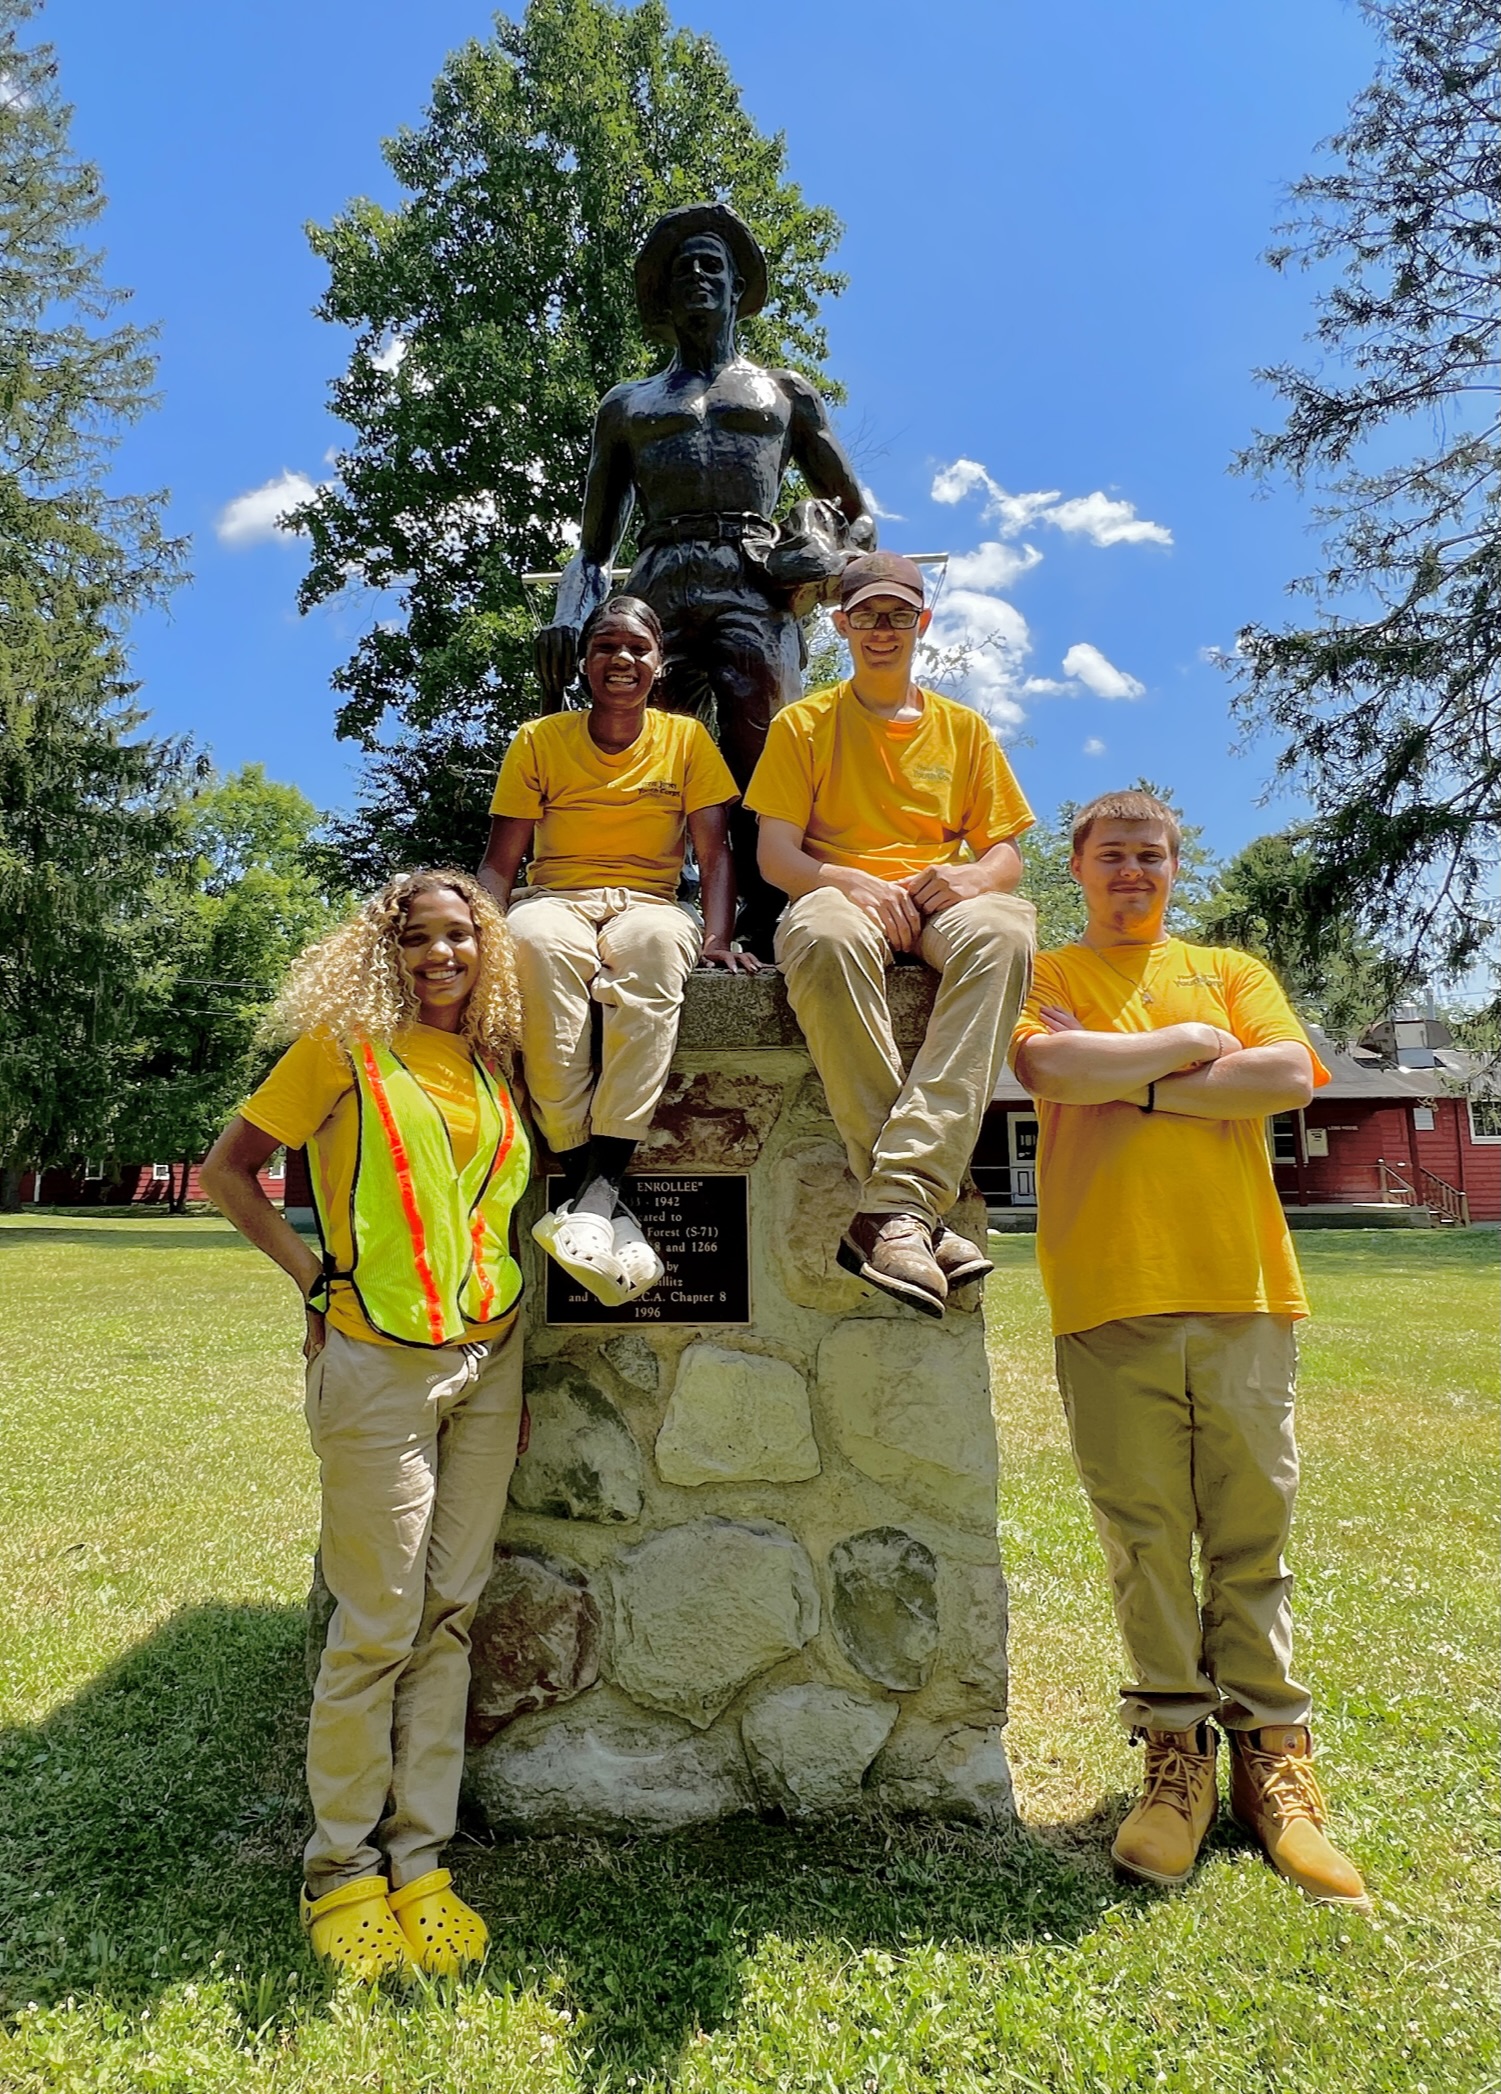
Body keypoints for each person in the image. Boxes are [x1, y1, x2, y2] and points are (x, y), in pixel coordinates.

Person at [1010, 789, 1369, 1910]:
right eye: (1112, 855)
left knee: (1252, 1527)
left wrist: (1134, 1079)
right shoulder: (1047, 976)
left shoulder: (1230, 969)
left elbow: (1286, 1076)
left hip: (1243, 1290)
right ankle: (1176, 1762)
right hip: (1105, 1292)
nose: (1133, 872)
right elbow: (1047, 1075)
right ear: (1076, 868)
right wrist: (1187, 1065)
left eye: (1151, 855)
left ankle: (1273, 1760)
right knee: (1145, 1538)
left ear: (1174, 866)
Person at [201, 870, 532, 1978]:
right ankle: (340, 1869)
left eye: (459, 937)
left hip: (489, 1356)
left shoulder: (492, 1064)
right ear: (380, 953)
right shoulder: (340, 1049)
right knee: (377, 1622)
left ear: (485, 951)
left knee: (447, 1616)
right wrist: (310, 1283)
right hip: (377, 1363)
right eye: (416, 940)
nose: (441, 956)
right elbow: (228, 1172)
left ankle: (420, 1858)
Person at [533, 202, 875, 953]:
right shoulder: (627, 405)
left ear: (735, 287)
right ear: (660, 295)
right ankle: (656, 904)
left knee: (767, 753)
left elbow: (859, 516)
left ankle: (765, 916)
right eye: (682, 266)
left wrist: (824, 562)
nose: (697, 276)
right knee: (649, 748)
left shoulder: (784, 393)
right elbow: (593, 546)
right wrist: (569, 604)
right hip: (657, 579)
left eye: (711, 265)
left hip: (753, 581)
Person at [746, 550, 1036, 1315]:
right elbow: (776, 856)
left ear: (922, 623)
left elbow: (1004, 850)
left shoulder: (963, 729)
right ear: (841, 625)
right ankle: (912, 1210)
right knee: (825, 939)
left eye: (897, 615)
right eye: (866, 615)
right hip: (838, 892)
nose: (882, 629)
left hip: (942, 897)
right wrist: (846, 880)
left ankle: (888, 1208)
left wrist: (971, 878)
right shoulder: (802, 724)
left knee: (1004, 933)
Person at [481, 593, 755, 1304]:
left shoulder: (686, 741)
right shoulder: (539, 740)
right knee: (533, 949)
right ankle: (596, 1192)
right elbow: (500, 860)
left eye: (636, 647)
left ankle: (590, 1196)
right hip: (555, 900)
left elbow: (714, 852)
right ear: (584, 662)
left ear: (657, 664)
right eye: (605, 646)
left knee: (662, 950)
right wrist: (483, 929)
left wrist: (718, 935)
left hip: (649, 904)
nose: (621, 659)